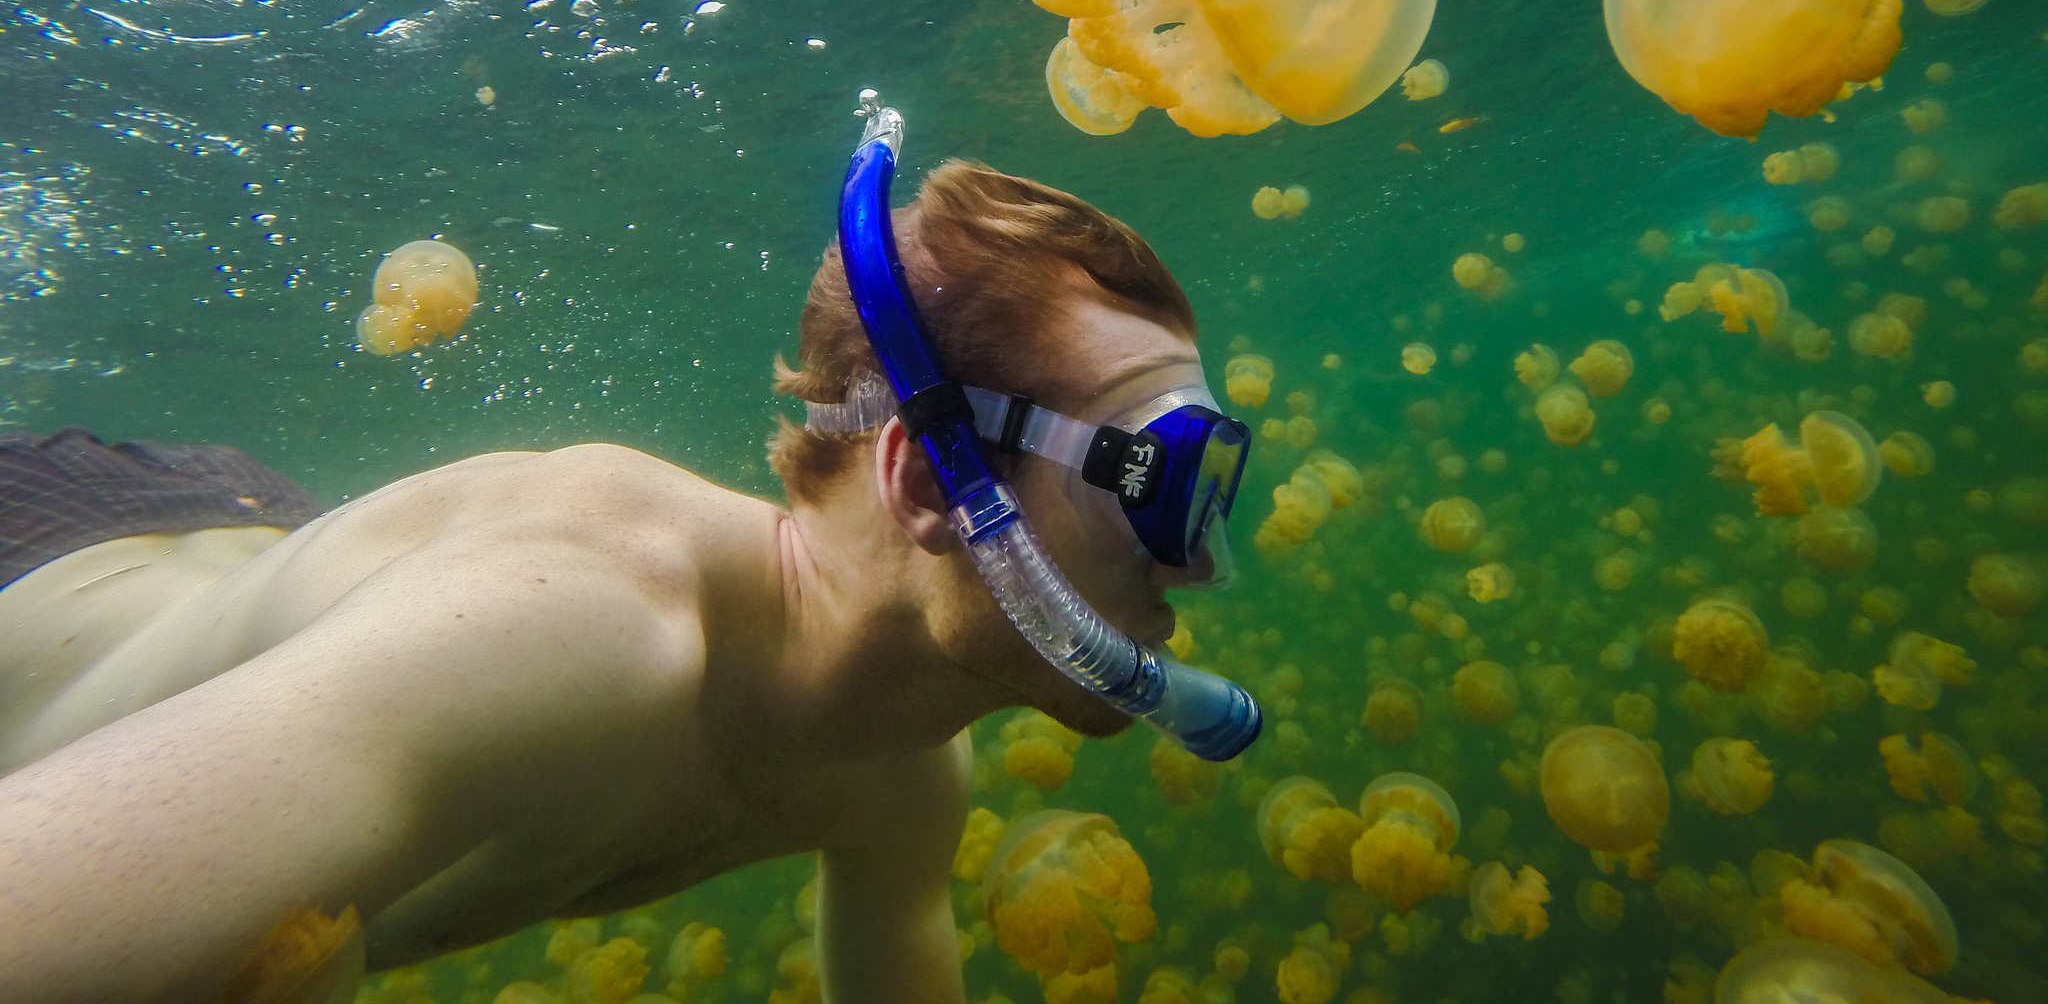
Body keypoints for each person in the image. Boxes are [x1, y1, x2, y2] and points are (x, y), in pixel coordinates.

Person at [0, 145, 1251, 1004]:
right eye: (1163, 479)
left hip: (262, 536)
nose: (1202, 561)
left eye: (1216, 487)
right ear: (928, 484)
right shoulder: (578, 634)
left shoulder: (905, 776)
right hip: (44, 558)